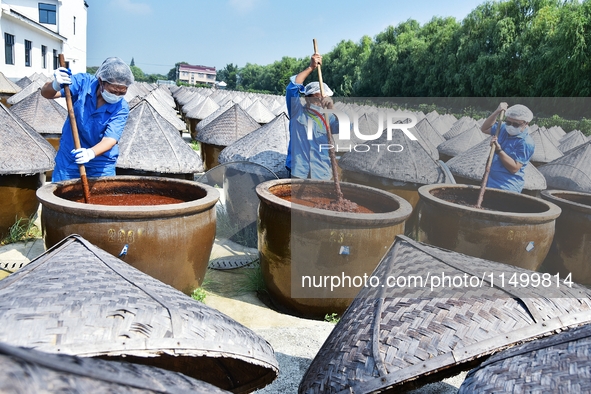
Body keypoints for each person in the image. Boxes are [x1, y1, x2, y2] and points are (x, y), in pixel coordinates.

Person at [41, 57, 134, 182]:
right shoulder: (83, 82)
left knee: (101, 198)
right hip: (70, 155)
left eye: (121, 93)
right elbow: (47, 94)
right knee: (62, 196)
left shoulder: (121, 107)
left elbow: (110, 139)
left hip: (101, 162)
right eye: (113, 91)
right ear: (101, 81)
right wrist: (55, 85)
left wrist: (90, 153)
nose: (116, 96)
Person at [285, 53, 338, 179]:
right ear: (308, 98)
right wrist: (311, 67)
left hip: (321, 173)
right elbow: (291, 88)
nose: (320, 101)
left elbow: (347, 127)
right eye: (317, 97)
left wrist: (332, 109)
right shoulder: (297, 112)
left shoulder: (328, 117)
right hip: (299, 172)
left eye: (323, 97)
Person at [480, 102, 535, 193]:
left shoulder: (526, 143)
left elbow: (514, 168)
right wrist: (497, 112)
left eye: (516, 124)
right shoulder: (502, 128)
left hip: (507, 186)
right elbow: (484, 128)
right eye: (508, 122)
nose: (511, 126)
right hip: (489, 182)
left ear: (526, 123)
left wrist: (499, 151)